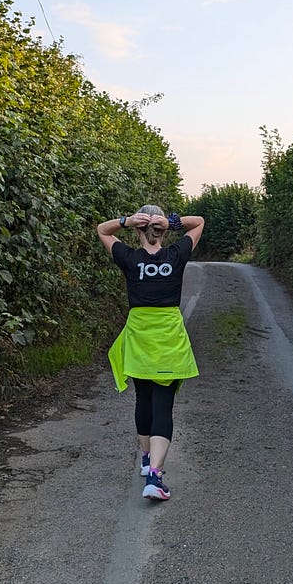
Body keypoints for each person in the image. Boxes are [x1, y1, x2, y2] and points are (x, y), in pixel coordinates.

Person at [96, 204, 204, 501]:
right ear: (161, 230)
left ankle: (146, 460)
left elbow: (102, 230)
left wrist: (125, 221)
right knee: (162, 405)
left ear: (138, 230)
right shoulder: (175, 255)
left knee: (143, 398)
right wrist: (172, 222)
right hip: (168, 340)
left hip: (139, 339)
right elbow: (198, 223)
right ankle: (155, 475)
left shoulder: (130, 258)